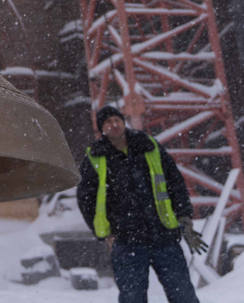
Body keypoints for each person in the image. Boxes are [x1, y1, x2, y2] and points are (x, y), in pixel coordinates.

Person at [77, 106, 208, 303]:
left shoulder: (148, 146)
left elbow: (175, 183)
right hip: (126, 241)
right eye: (107, 122)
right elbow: (86, 198)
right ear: (101, 129)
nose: (113, 124)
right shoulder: (94, 157)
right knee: (132, 298)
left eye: (116, 119)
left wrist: (184, 216)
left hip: (163, 234)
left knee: (183, 296)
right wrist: (104, 233)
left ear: (123, 121)